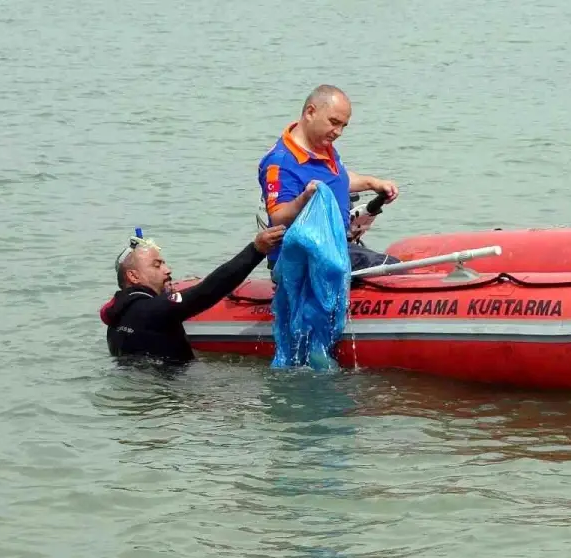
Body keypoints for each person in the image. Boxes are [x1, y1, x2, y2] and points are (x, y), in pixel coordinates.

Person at [257, 84, 401, 276]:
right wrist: (305, 197)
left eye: (343, 126)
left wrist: (372, 183)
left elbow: (337, 178)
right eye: (334, 122)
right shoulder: (280, 161)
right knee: (392, 267)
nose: (338, 132)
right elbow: (278, 216)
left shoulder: (322, 145)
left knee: (394, 264)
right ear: (310, 112)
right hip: (301, 259)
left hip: (335, 247)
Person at [100, 225, 286, 363]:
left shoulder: (115, 318)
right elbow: (208, 290)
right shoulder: (154, 311)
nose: (168, 270)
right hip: (172, 397)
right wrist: (256, 250)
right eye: (157, 265)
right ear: (133, 275)